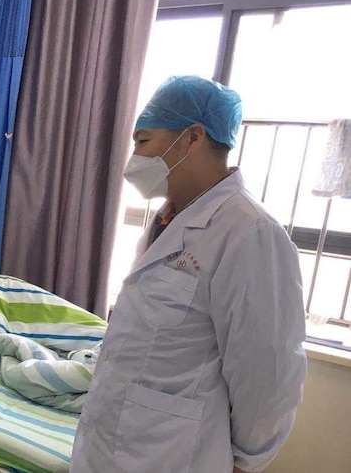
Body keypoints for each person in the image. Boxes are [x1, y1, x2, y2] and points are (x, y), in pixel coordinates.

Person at [70, 76, 307, 473]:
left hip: (174, 457)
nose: (133, 159)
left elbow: (269, 372)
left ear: (193, 138)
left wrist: (246, 463)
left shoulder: (248, 231)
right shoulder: (168, 221)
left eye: (143, 142)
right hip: (111, 449)